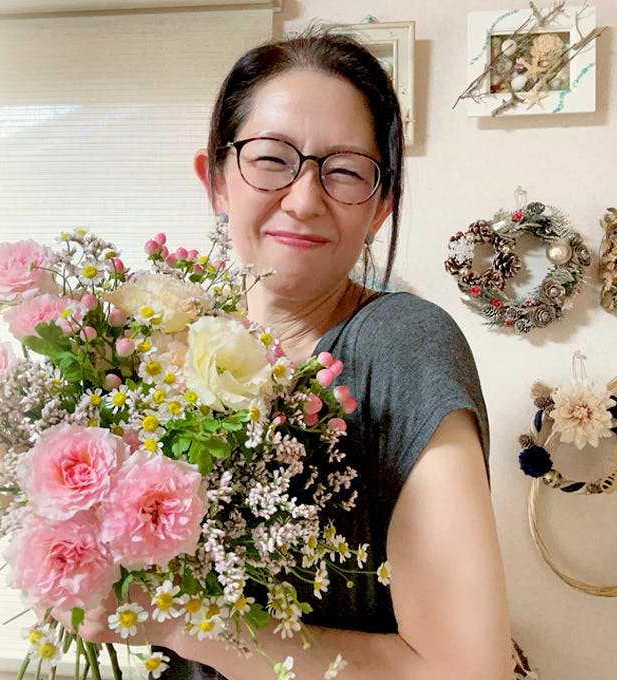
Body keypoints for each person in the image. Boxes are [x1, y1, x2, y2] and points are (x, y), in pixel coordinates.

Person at [59, 30, 513, 679]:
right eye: (272, 159)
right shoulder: (163, 345)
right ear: (217, 181)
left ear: (381, 206)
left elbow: (466, 670)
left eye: (345, 171)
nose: (303, 201)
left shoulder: (404, 345)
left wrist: (174, 620)